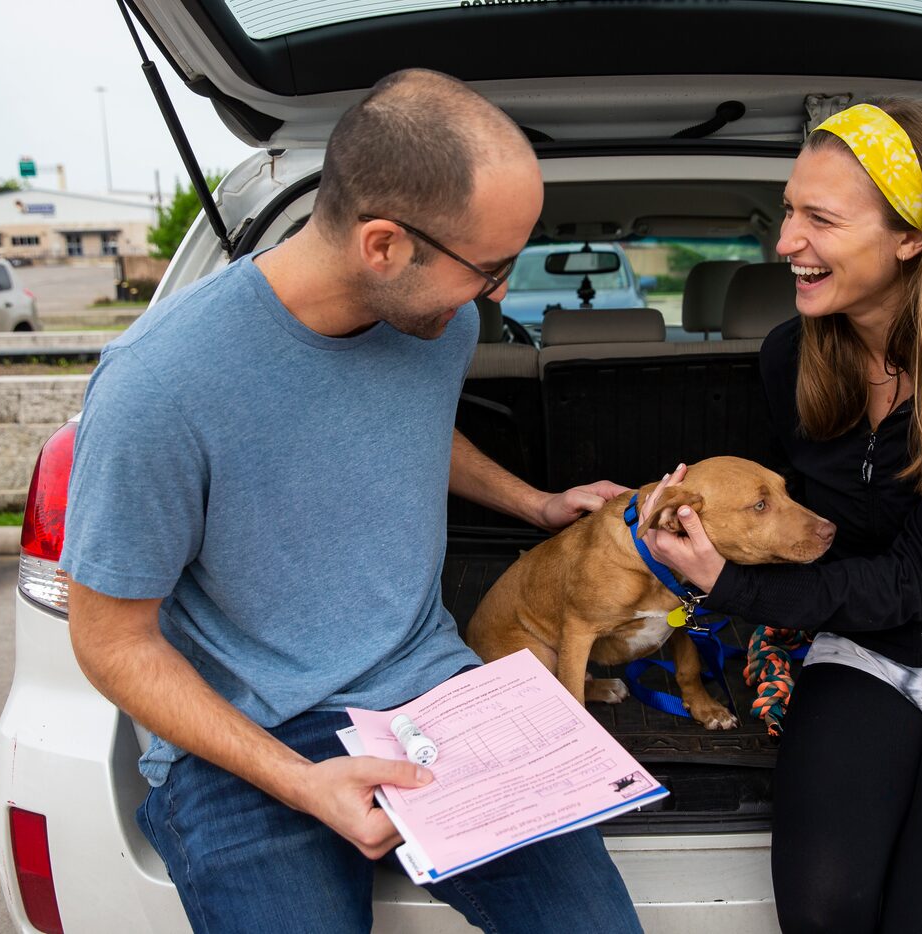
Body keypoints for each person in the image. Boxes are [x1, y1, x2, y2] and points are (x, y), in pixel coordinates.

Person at [60, 69, 642, 934]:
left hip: (426, 697)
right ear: (382, 246)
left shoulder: (438, 324)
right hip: (240, 742)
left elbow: (405, 428)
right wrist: (301, 783)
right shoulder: (160, 387)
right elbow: (110, 641)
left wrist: (532, 503)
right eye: (489, 268)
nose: (501, 296)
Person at [642, 99, 922, 933]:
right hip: (860, 652)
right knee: (822, 913)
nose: (784, 243)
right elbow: (793, 522)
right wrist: (682, 531)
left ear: (911, 237)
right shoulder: (791, 354)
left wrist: (732, 586)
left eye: (818, 218)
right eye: (787, 212)